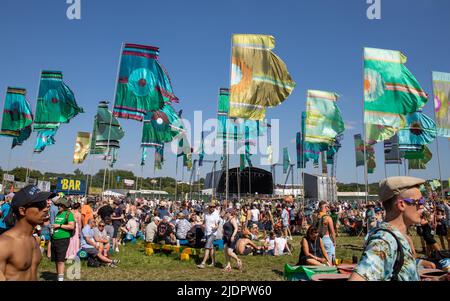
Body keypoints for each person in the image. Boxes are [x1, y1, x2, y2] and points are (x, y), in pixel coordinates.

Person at [349, 177, 442, 281]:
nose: (422, 206)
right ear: (401, 205)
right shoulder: (384, 241)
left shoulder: (398, 237)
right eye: (419, 202)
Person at [0, 186, 55, 281]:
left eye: (45, 203)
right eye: (40, 205)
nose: (46, 208)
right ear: (22, 210)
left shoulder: (34, 240)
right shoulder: (4, 244)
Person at [50, 197, 75, 281]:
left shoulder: (68, 214)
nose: (58, 207)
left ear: (64, 206)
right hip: (55, 238)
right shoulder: (58, 213)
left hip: (63, 239)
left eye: (60, 205)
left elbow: (72, 226)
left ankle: (60, 279)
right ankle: (58, 277)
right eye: (58, 205)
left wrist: (59, 226)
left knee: (61, 260)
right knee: (56, 260)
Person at [197, 201, 220, 269]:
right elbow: (204, 222)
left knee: (207, 247)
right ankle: (213, 262)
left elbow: (217, 225)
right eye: (211, 207)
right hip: (207, 233)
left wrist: (215, 227)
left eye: (214, 207)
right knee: (211, 248)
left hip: (213, 233)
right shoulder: (206, 214)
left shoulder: (216, 214)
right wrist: (202, 225)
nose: (213, 208)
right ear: (209, 207)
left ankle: (203, 263)